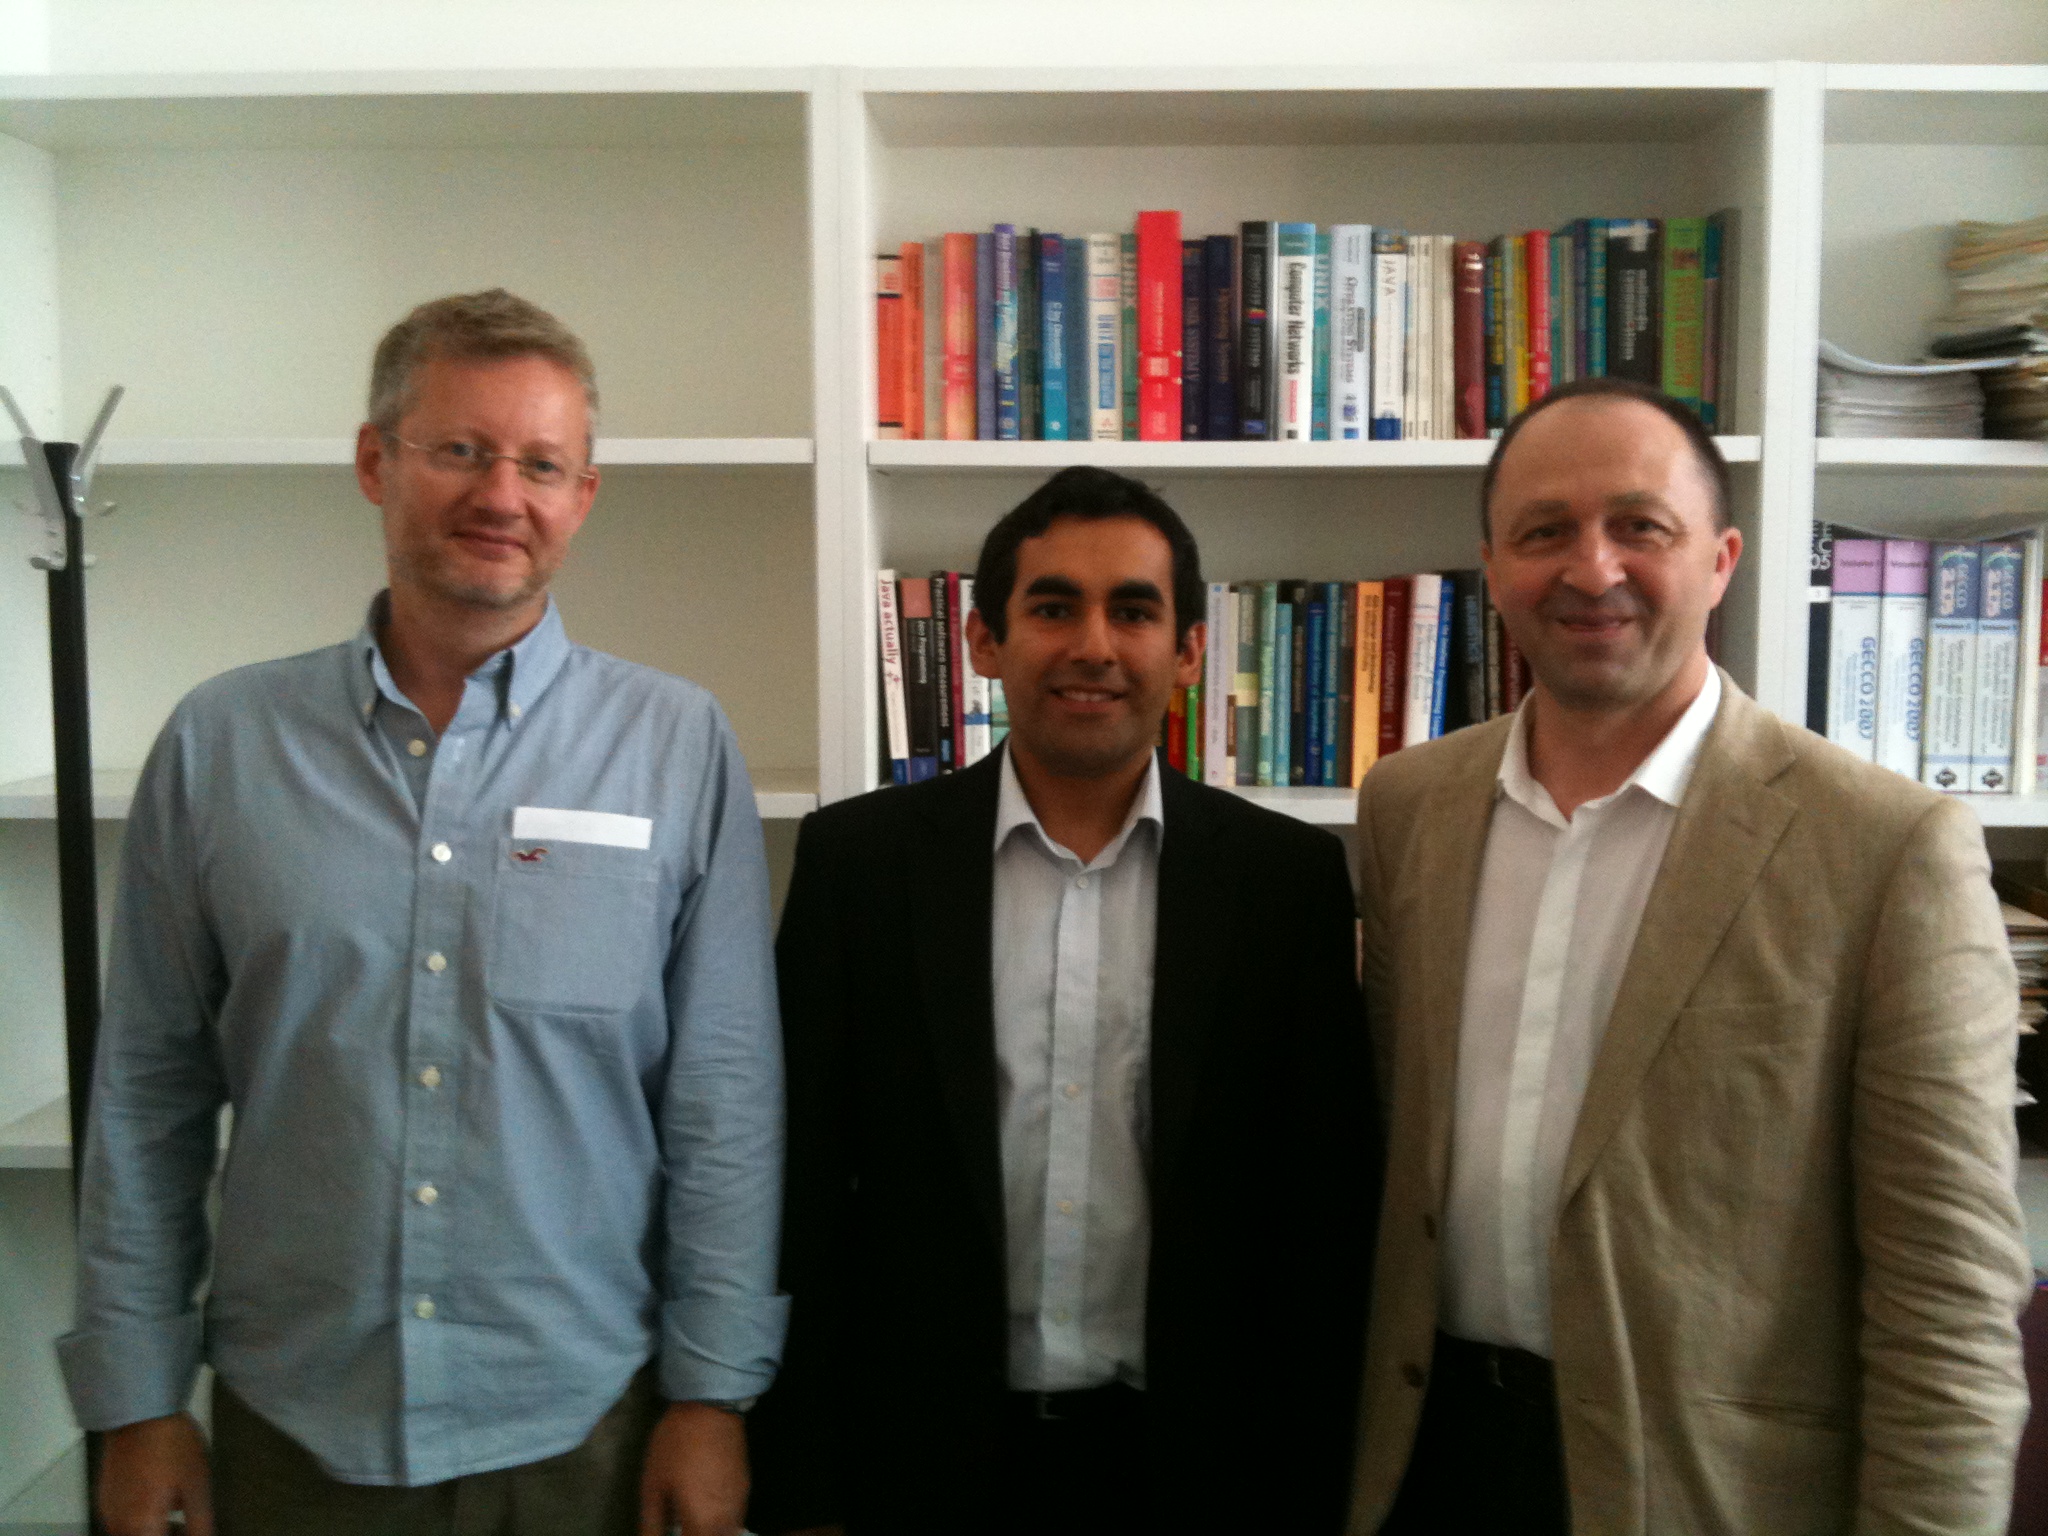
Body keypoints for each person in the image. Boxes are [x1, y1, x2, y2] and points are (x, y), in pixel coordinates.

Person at [59, 289, 787, 1536]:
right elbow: (146, 1092)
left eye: (541, 463)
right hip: (292, 1429)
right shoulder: (221, 746)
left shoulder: (674, 745)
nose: (500, 495)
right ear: (372, 461)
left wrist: (712, 1396)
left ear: (583, 497)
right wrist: (137, 1403)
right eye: (459, 450)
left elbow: (721, 1099)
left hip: (586, 1430)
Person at [1347, 376, 2033, 1534]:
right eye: (1543, 532)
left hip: (1706, 1486)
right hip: (1427, 1458)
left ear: (1718, 560)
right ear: (1491, 566)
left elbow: (1949, 1304)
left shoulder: (1884, 849)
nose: (1590, 568)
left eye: (1638, 526)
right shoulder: (1409, 806)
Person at [747, 466, 1379, 1536]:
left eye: (1132, 610)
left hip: (1197, 1469)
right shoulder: (860, 866)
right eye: (1052, 607)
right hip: (919, 1464)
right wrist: (801, 1476)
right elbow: (800, 1185)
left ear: (1185, 652)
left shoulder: (1284, 884)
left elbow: (1318, 1221)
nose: (1092, 644)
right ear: (985, 643)